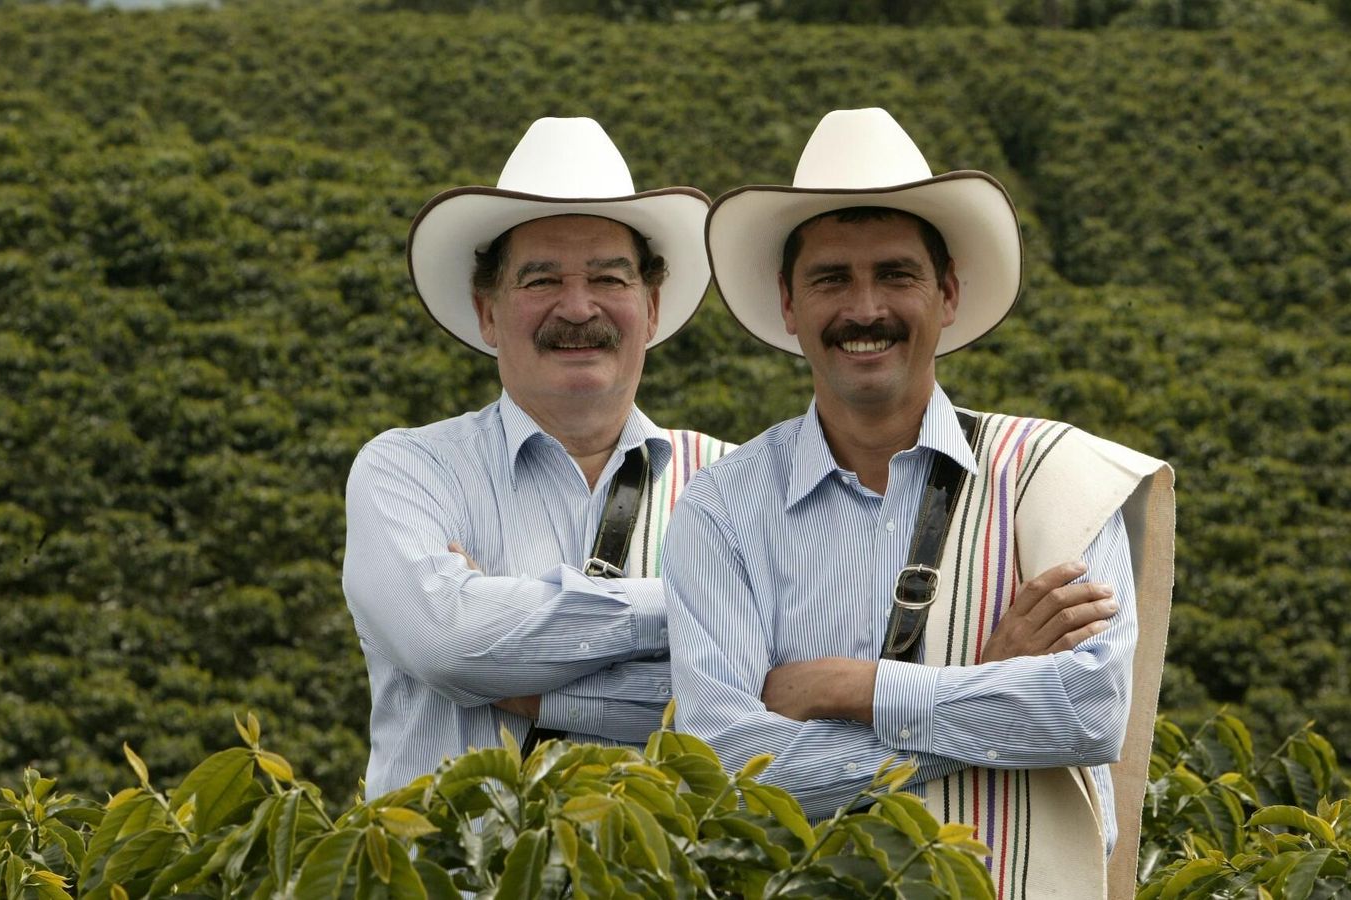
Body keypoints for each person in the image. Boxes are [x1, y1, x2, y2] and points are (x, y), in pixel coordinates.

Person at [663, 108, 1175, 900]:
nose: (865, 308)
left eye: (896, 275)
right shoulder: (725, 509)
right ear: (790, 305)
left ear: (947, 295)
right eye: (832, 278)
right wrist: (988, 693)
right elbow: (730, 766)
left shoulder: (1052, 479)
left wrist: (855, 689)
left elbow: (1090, 709)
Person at [344, 117, 732, 799]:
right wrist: (703, 607)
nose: (577, 308)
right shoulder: (406, 470)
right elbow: (448, 643)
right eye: (541, 279)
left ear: (652, 304)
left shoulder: (737, 485)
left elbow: (771, 699)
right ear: (488, 313)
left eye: (609, 279)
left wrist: (529, 683)